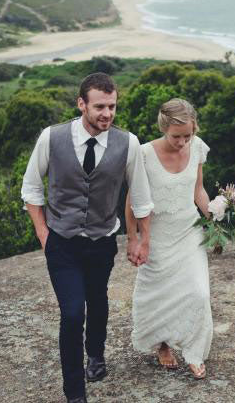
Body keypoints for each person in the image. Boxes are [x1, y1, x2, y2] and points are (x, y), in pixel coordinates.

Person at [21, 73, 153, 403]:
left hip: (102, 241)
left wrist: (140, 239)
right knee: (71, 314)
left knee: (96, 299)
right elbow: (31, 188)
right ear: (81, 104)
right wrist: (43, 233)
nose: (107, 114)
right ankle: (75, 394)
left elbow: (141, 196)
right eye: (99, 107)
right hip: (62, 243)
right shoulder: (51, 138)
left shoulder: (129, 143)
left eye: (112, 107)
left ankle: (95, 353)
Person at [125, 98, 213, 380]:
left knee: (199, 291)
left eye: (188, 135)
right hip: (157, 235)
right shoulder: (143, 154)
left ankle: (194, 351)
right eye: (177, 136)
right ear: (164, 129)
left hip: (189, 230)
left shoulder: (197, 147)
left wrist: (214, 221)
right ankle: (162, 345)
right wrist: (134, 238)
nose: (183, 142)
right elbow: (132, 201)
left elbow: (198, 190)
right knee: (160, 292)